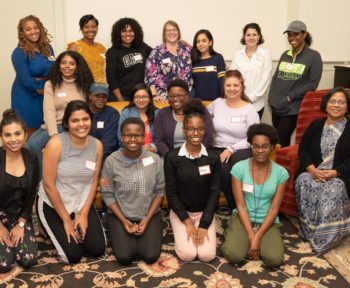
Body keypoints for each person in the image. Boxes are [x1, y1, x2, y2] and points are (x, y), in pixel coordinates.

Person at [37, 100, 106, 263]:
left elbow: (94, 180)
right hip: (54, 203)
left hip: (81, 202)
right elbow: (48, 185)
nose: (81, 124)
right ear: (67, 123)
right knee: (72, 256)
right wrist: (66, 221)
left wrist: (83, 214)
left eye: (85, 119)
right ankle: (46, 224)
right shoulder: (55, 144)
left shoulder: (97, 146)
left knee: (98, 249)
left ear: (91, 120)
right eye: (75, 120)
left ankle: (74, 225)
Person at [221, 123, 288, 268]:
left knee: (274, 259)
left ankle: (248, 239)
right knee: (233, 255)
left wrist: (257, 236)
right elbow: (240, 205)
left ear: (271, 147)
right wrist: (252, 237)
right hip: (243, 216)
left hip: (267, 220)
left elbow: (274, 209)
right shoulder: (239, 168)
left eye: (265, 146)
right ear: (250, 146)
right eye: (255, 146)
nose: (260, 150)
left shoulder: (281, 173)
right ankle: (232, 229)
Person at [100, 117, 165, 265]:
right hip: (120, 215)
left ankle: (143, 232)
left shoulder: (155, 160)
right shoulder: (111, 161)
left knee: (150, 256)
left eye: (138, 135)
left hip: (148, 214)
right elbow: (107, 194)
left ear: (143, 138)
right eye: (128, 135)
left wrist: (147, 218)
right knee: (124, 257)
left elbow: (159, 191)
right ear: (121, 137)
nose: (133, 139)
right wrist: (123, 220)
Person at [295, 87, 350, 255]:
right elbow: (302, 150)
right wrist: (311, 169)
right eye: (333, 101)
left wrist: (335, 172)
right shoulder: (315, 125)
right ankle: (309, 230)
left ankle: (325, 238)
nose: (336, 105)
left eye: (341, 102)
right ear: (325, 105)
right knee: (303, 181)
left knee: (332, 188)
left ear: (347, 107)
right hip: (314, 171)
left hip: (340, 174)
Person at [164, 99, 221, 262]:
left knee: (206, 256)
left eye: (199, 129)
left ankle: (206, 226)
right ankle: (183, 227)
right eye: (191, 129)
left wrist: (204, 224)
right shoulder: (172, 157)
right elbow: (172, 193)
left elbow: (214, 192)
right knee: (187, 255)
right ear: (184, 130)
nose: (195, 133)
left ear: (205, 130)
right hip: (182, 212)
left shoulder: (213, 158)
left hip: (204, 211)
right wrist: (187, 222)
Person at [27, 50, 93, 175]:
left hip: (72, 125)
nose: (67, 66)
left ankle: (43, 180)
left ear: (77, 67)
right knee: (30, 145)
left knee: (34, 144)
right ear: (58, 65)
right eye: (63, 63)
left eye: (71, 63)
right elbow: (49, 110)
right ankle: (41, 180)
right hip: (54, 124)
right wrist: (54, 135)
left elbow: (88, 109)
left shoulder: (85, 84)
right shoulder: (50, 84)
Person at [207, 70, 259, 209]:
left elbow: (253, 137)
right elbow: (203, 116)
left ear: (242, 87)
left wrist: (232, 148)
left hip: (242, 148)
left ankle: (247, 205)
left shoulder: (249, 109)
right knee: (223, 171)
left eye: (235, 85)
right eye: (228, 85)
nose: (231, 89)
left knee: (237, 168)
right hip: (218, 148)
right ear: (224, 87)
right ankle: (236, 208)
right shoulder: (217, 103)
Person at [268, 20, 322, 147]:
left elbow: (312, 84)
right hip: (276, 105)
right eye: (290, 35)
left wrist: (290, 96)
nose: (292, 38)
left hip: (293, 107)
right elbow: (276, 78)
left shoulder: (313, 56)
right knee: (278, 141)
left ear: (304, 34)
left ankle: (283, 166)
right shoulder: (285, 55)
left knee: (282, 137)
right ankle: (280, 165)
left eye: (296, 34)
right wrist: (271, 97)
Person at [0, 109, 38, 273]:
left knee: (28, 259)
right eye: (7, 135)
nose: (13, 139)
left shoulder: (32, 158)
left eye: (17, 134)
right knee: (4, 265)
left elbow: (31, 195)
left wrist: (21, 224)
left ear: (25, 135)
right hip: (0, 215)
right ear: (1, 137)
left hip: (20, 214)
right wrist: (0, 227)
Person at [11, 15, 55, 136]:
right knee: (29, 133)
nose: (33, 31)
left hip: (44, 93)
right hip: (27, 96)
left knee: (45, 131)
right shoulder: (19, 52)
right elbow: (26, 81)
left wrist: (50, 86)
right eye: (28, 29)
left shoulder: (47, 48)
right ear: (22, 33)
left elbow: (53, 70)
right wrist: (45, 86)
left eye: (35, 28)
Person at [154, 79, 214, 157]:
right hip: (171, 157)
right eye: (171, 96)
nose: (175, 99)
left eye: (179, 95)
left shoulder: (200, 110)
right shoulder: (162, 114)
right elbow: (159, 141)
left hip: (198, 155)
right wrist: (171, 157)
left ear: (187, 95)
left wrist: (195, 155)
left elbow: (208, 138)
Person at [145, 20, 193, 102]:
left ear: (178, 32)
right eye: (168, 30)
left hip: (186, 95)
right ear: (164, 33)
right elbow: (150, 77)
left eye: (174, 30)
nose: (172, 32)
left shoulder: (186, 49)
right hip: (165, 97)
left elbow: (200, 53)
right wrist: (155, 95)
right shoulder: (156, 52)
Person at [231, 23, 272, 119]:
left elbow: (265, 79)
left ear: (259, 36)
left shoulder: (265, 54)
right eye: (248, 35)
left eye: (254, 34)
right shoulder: (238, 54)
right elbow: (233, 77)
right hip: (238, 101)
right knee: (238, 130)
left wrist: (250, 98)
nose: (251, 37)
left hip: (256, 105)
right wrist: (240, 97)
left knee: (253, 132)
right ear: (244, 37)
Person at [106, 17, 152, 101]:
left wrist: (176, 43)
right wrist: (121, 100)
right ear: (118, 33)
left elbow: (157, 55)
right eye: (124, 31)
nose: (128, 34)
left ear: (136, 32)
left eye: (131, 31)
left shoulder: (142, 46)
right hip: (122, 95)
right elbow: (111, 79)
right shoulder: (112, 52)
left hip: (141, 95)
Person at [117, 83, 157, 153]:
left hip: (151, 152)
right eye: (137, 97)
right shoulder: (126, 113)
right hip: (130, 151)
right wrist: (137, 147)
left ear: (150, 99)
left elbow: (162, 138)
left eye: (144, 97)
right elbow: (120, 136)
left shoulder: (157, 113)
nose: (141, 100)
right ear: (133, 99)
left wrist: (153, 147)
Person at [67, 14, 107, 83]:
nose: (90, 30)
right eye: (86, 27)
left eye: (93, 27)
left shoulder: (101, 47)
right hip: (83, 88)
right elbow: (69, 70)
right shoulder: (75, 46)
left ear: (97, 28)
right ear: (81, 29)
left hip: (102, 89)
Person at [191, 29, 225, 101]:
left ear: (210, 42)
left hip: (215, 102)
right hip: (197, 103)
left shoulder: (218, 58)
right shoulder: (193, 60)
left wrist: (222, 100)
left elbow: (222, 81)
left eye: (204, 41)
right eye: (198, 42)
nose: (201, 44)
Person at [89, 83, 120, 161]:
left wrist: (95, 158)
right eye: (97, 96)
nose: (101, 99)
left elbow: (109, 142)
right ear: (90, 96)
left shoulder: (112, 114)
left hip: (106, 156)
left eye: (104, 96)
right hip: (85, 154)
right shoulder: (83, 112)